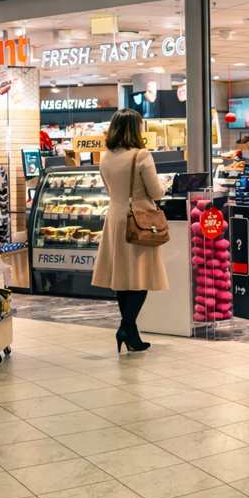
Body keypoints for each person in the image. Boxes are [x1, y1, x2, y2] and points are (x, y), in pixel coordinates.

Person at [92, 109, 169, 353]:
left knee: (123, 279)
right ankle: (125, 328)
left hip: (115, 217)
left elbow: (107, 188)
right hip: (139, 219)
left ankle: (131, 335)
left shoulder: (104, 157)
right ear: (135, 129)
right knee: (141, 278)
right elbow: (156, 192)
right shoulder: (141, 155)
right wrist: (166, 184)